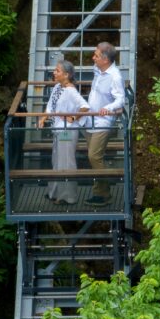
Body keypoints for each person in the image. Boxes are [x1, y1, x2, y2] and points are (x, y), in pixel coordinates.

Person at [38, 60, 89, 205]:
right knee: (57, 161)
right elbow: (50, 107)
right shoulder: (57, 87)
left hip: (67, 131)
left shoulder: (71, 91)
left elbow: (85, 106)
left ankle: (68, 197)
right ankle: (54, 192)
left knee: (66, 162)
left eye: (57, 71)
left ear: (66, 75)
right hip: (58, 130)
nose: (54, 72)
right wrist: (43, 119)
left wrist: (73, 117)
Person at [84, 42, 125, 206]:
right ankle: (99, 191)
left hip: (102, 121)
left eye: (96, 56)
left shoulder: (115, 76)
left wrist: (106, 108)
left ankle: (104, 191)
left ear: (105, 59)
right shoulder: (98, 70)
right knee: (95, 158)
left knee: (94, 156)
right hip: (90, 119)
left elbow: (120, 99)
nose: (93, 58)